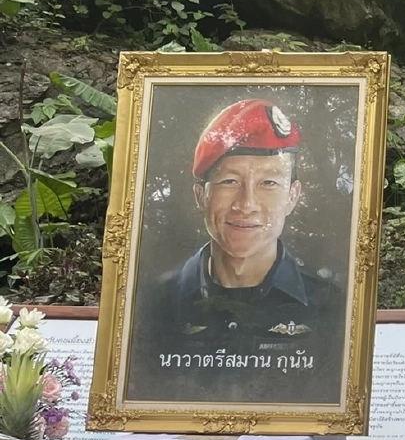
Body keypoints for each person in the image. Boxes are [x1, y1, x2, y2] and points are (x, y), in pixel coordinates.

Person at [124, 98, 346, 404]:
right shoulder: (151, 305)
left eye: (269, 182)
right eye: (229, 181)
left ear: (293, 197)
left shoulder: (332, 307)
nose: (246, 205)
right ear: (201, 195)